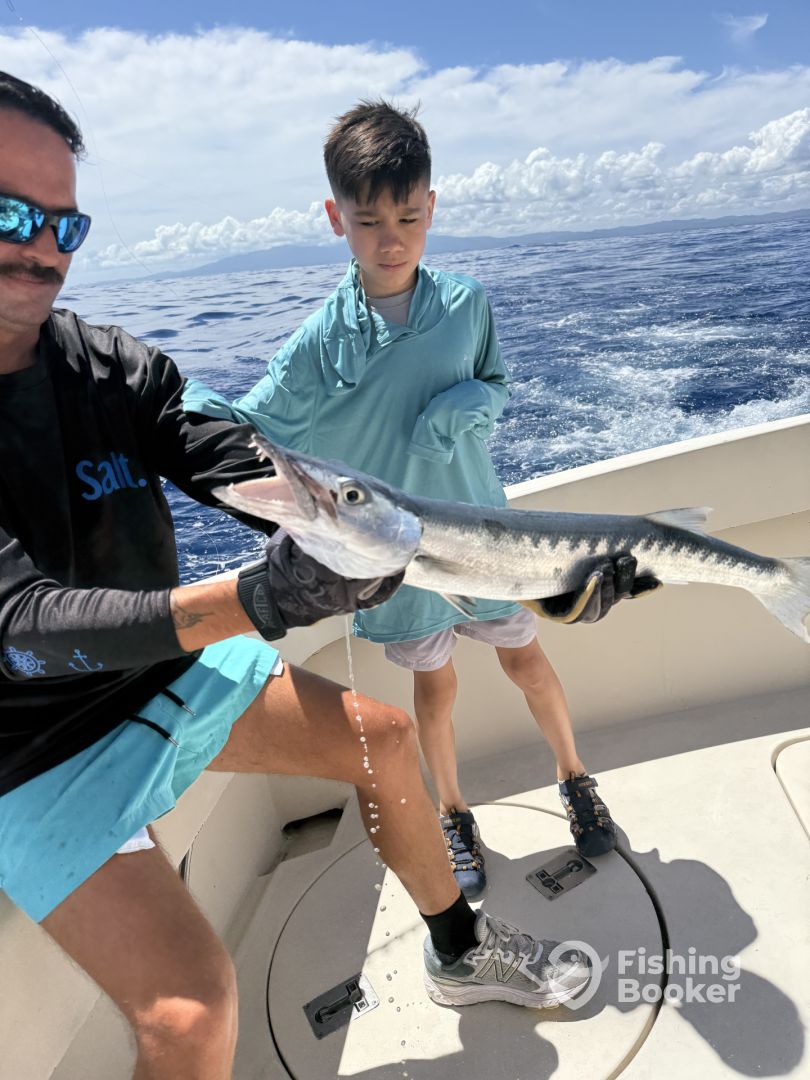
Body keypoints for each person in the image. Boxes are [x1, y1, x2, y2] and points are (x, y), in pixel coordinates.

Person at [0, 74, 651, 1078]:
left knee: (382, 740)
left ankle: (460, 951)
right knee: (193, 1012)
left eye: (64, 223)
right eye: (12, 213)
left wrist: (394, 545)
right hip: (37, 751)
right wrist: (261, 598)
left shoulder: (103, 361)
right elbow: (24, 626)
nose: (41, 246)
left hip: (162, 681)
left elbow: (226, 449)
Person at [185, 100, 662, 902]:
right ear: (335, 219)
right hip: (397, 564)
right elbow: (253, 427)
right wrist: (176, 403)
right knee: (434, 690)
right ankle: (453, 813)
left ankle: (575, 776)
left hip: (488, 539)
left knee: (528, 660)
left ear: (432, 208)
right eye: (369, 221)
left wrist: (469, 402)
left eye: (408, 217)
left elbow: (495, 381)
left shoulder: (466, 304)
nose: (392, 239)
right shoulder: (317, 344)